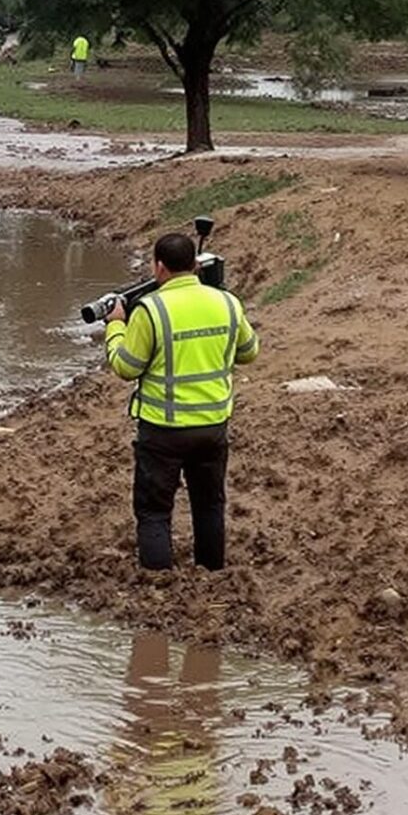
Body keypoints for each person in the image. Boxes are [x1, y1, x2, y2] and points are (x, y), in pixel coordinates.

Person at [106, 232, 260, 571]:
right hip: (212, 426)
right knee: (209, 504)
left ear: (159, 268)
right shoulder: (227, 303)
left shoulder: (150, 310)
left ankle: (159, 581)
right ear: (195, 265)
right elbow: (249, 352)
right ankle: (211, 571)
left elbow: (126, 367)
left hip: (163, 429)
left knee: (154, 511)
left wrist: (115, 327)